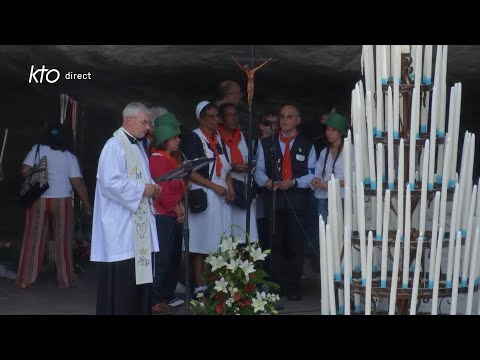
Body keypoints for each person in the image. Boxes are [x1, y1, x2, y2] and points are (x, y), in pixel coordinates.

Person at [90, 102, 161, 315]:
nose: (148, 127)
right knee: (122, 284)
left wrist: (151, 188)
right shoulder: (114, 145)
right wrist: (143, 190)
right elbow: (111, 183)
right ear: (129, 120)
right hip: (120, 228)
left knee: (136, 286)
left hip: (134, 227)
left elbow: (140, 178)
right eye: (145, 122)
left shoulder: (137, 146)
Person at [16, 125, 92, 289]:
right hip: (62, 200)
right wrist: (87, 205)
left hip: (37, 199)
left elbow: (24, 171)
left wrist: (40, 170)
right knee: (63, 240)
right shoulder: (69, 157)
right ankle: (65, 280)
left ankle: (25, 280)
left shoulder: (36, 150)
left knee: (33, 239)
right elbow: (77, 183)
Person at [254, 104, 317, 301]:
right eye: (282, 116)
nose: (284, 120)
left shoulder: (307, 144)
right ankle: (276, 285)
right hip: (273, 199)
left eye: (289, 116)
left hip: (297, 199)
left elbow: (313, 173)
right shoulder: (267, 143)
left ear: (297, 120)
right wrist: (267, 182)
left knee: (295, 244)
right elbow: (259, 170)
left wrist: (295, 182)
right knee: (275, 242)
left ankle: (293, 286)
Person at [180, 100, 234, 295]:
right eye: (212, 116)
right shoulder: (194, 138)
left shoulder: (218, 138)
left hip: (220, 197)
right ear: (202, 119)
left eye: (217, 116)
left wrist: (230, 188)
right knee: (202, 244)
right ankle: (200, 288)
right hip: (205, 195)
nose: (217, 120)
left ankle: (217, 287)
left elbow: (226, 166)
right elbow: (190, 172)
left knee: (219, 243)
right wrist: (215, 187)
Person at [149, 112, 185, 314]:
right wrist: (178, 208)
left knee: (172, 259)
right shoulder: (158, 159)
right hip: (164, 215)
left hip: (172, 214)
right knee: (162, 259)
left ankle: (164, 296)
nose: (178, 140)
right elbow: (162, 190)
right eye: (175, 136)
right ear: (165, 138)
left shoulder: (169, 158)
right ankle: (155, 299)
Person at [217, 103, 258, 242]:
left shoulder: (243, 137)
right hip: (228, 187)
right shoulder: (217, 137)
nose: (234, 118)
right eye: (230, 115)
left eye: (235, 115)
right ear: (221, 119)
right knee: (229, 228)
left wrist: (248, 165)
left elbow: (251, 157)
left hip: (243, 185)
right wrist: (232, 166)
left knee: (246, 230)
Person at [311, 112, 351, 222]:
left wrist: (332, 185)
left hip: (343, 197)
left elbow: (354, 178)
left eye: (333, 130)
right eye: (327, 130)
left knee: (342, 231)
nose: (329, 133)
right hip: (324, 197)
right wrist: (316, 180)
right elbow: (318, 172)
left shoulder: (350, 151)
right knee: (325, 230)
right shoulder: (324, 152)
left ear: (341, 132)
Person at [253, 112, 279, 251]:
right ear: (261, 126)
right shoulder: (255, 144)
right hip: (258, 193)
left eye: (276, 123)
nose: (273, 127)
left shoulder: (280, 143)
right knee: (259, 227)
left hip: (274, 192)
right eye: (269, 124)